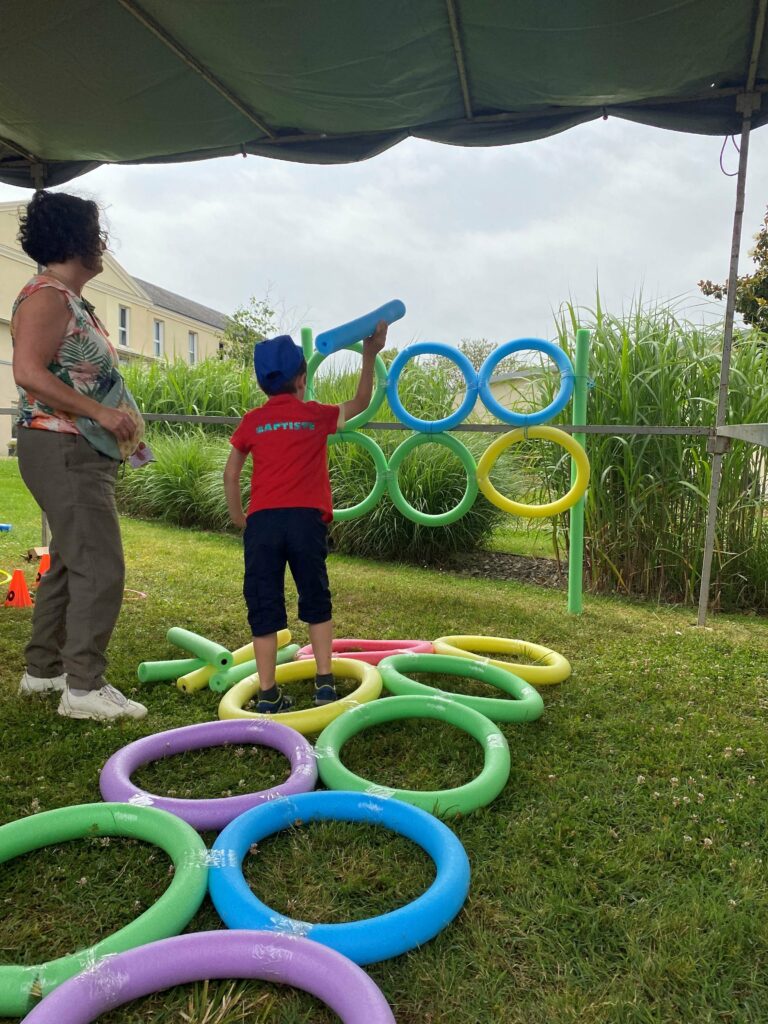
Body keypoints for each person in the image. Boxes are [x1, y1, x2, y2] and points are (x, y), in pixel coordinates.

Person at [11, 190, 146, 721]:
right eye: (96, 236)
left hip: (73, 448)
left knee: (70, 562)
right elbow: (28, 372)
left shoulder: (66, 298)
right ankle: (84, 689)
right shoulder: (46, 296)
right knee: (100, 566)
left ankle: (44, 672)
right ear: (74, 240)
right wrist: (103, 413)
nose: (103, 246)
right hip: (62, 446)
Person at [223, 324, 387, 711]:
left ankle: (267, 693)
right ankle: (324, 683)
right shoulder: (315, 415)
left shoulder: (252, 421)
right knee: (315, 596)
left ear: (262, 384)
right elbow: (361, 401)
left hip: (262, 522)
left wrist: (239, 517)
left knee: (263, 603)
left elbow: (231, 474)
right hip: (305, 523)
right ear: (303, 377)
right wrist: (369, 353)